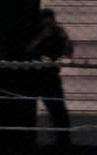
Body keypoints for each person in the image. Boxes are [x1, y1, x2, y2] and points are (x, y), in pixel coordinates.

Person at [26, 8, 73, 147]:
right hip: (32, 75)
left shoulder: (58, 32)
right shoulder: (34, 31)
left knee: (58, 109)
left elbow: (68, 53)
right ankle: (25, 140)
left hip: (50, 76)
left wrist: (64, 39)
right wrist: (43, 36)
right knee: (28, 105)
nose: (50, 23)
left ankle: (63, 141)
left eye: (52, 19)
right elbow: (28, 49)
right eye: (47, 19)